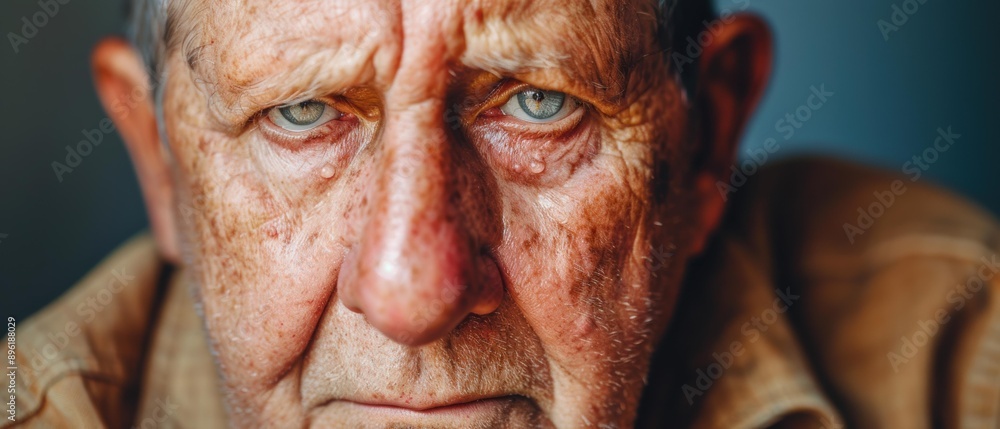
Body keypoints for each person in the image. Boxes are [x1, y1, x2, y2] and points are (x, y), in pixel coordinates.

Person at [7, 0, 999, 427]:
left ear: (707, 140)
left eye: (538, 102)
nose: (411, 291)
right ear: (159, 157)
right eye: (300, 114)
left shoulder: (959, 360)